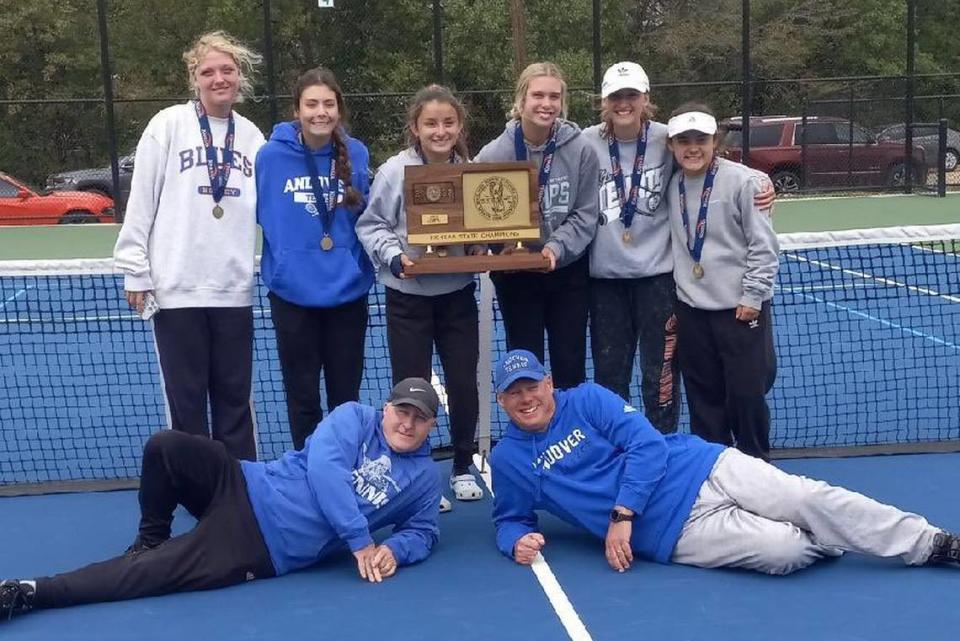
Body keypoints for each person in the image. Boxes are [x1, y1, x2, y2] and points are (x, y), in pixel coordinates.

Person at [489, 349, 960, 576]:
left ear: (549, 383)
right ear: (501, 401)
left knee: (804, 496)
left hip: (700, 467)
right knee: (786, 554)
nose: (526, 398)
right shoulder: (510, 459)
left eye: (532, 386)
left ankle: (931, 543)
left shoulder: (588, 398)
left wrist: (621, 514)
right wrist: (516, 541)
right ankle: (832, 531)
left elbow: (649, 447)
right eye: (514, 393)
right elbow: (510, 516)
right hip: (672, 534)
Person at [0, 378, 442, 619]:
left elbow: (424, 532)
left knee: (145, 576)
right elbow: (326, 473)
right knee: (165, 446)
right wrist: (362, 540)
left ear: (431, 427)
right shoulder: (352, 417)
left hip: (261, 544)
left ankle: (31, 592)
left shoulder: (423, 478)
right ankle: (150, 538)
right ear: (386, 407)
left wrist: (394, 550)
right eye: (402, 411)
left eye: (420, 419)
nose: (407, 424)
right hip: (242, 480)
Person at [585, 63, 776, 433]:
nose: (624, 103)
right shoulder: (584, 142)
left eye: (632, 96)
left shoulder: (662, 138)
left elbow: (709, 165)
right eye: (616, 97)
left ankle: (664, 449)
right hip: (605, 282)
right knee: (610, 377)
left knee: (661, 379)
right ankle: (614, 448)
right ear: (605, 102)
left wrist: (762, 181)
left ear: (646, 100)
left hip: (658, 281)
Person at [113, 31, 266, 460]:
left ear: (239, 77)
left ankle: (238, 483)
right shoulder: (167, 126)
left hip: (233, 290)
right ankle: (198, 486)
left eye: (227, 70)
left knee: (235, 398)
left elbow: (272, 210)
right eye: (208, 71)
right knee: (188, 403)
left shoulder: (253, 137)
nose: (219, 78)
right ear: (194, 78)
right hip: (176, 288)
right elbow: (140, 203)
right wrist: (135, 269)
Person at [356, 85, 484, 511]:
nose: (440, 130)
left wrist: (483, 247)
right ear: (416, 127)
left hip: (458, 296)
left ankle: (463, 465)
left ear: (459, 126)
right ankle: (414, 472)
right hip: (407, 299)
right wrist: (396, 259)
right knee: (411, 390)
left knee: (464, 382)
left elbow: (480, 229)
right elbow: (371, 225)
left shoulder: (471, 171)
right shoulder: (395, 171)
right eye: (431, 123)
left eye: (448, 122)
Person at [256, 67, 374, 450]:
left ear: (338, 109)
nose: (320, 112)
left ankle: (344, 466)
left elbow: (367, 214)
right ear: (296, 110)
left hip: (347, 294)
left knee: (345, 396)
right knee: (302, 397)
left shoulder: (356, 153)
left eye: (328, 103)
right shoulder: (270, 157)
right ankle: (307, 470)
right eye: (311, 104)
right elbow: (260, 216)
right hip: (292, 297)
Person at [474, 62, 600, 391]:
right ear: (521, 101)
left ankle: (573, 432)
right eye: (538, 95)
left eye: (554, 96)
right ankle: (531, 433)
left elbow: (586, 213)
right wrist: (494, 247)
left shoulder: (581, 149)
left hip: (567, 272)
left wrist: (554, 248)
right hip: (516, 276)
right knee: (524, 364)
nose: (546, 103)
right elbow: (478, 213)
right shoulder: (493, 154)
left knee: (570, 362)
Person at [665, 103, 778, 460]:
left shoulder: (746, 182)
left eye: (700, 139)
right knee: (704, 399)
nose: (692, 147)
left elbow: (764, 245)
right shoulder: (672, 182)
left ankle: (758, 469)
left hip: (740, 310)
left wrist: (753, 296)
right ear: (671, 145)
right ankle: (715, 472)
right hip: (692, 312)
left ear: (715, 141)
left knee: (746, 396)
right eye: (684, 140)